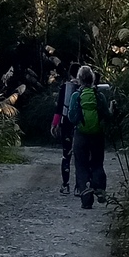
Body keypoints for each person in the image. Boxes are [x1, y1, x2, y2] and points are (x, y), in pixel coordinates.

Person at [67, 65, 111, 209]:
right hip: (97, 135)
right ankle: (99, 189)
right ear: (93, 79)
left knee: (81, 165)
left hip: (81, 135)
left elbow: (71, 117)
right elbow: (107, 115)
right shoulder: (99, 96)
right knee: (97, 162)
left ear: (79, 80)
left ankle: (86, 197)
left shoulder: (76, 96)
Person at [50, 62, 80, 196]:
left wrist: (54, 124)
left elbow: (59, 107)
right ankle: (80, 186)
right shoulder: (84, 87)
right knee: (80, 155)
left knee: (66, 154)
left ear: (70, 73)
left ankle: (65, 184)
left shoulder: (65, 87)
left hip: (66, 122)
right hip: (81, 124)